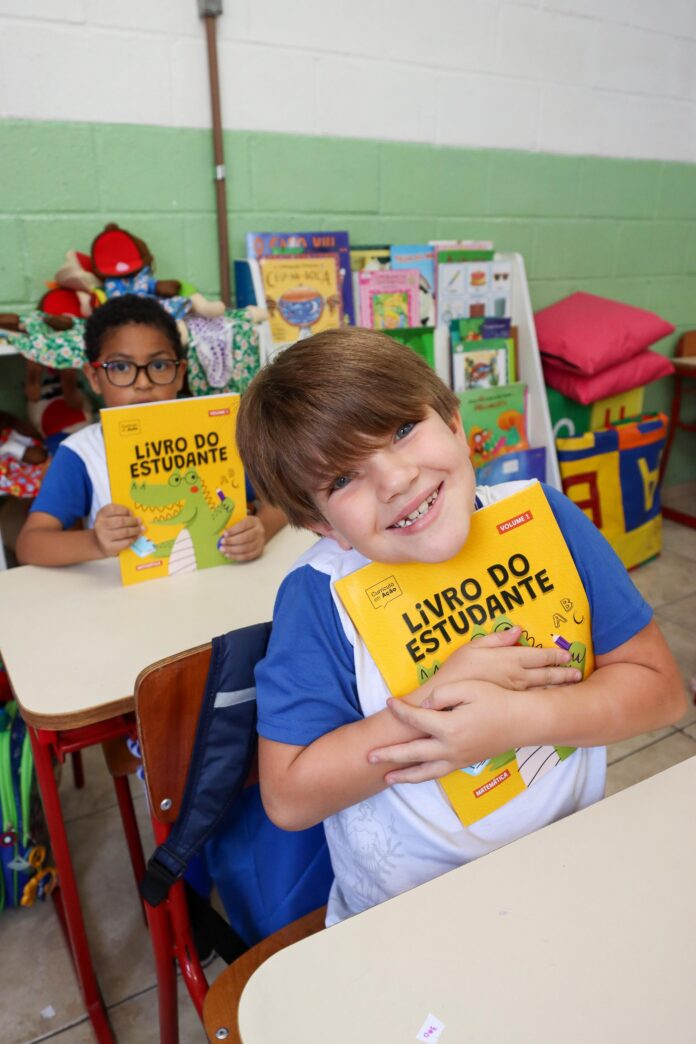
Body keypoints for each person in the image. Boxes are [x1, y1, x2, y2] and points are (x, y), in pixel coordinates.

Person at [235, 327, 686, 926]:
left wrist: (517, 718)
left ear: (453, 422)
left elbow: (662, 693)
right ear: (324, 526)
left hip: (570, 871)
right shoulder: (321, 596)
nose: (394, 479)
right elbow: (289, 798)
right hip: (411, 918)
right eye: (343, 479)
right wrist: (433, 706)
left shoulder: (542, 516)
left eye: (401, 430)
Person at [16, 295, 286, 566]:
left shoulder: (217, 433)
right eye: (120, 367)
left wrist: (260, 530)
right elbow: (30, 544)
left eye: (158, 366)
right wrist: (95, 542)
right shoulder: (82, 453)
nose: (143, 383)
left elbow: (281, 500)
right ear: (94, 377)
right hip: (129, 600)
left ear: (180, 373)